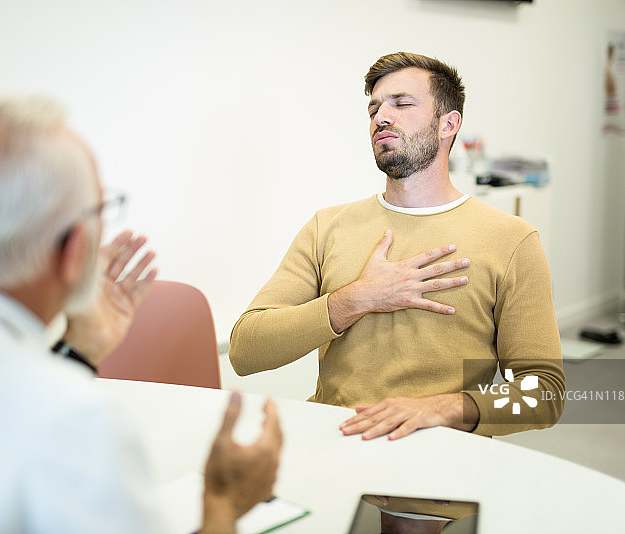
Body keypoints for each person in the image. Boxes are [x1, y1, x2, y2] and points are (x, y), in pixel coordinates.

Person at [0, 96, 282, 534]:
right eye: (100, 212)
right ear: (75, 249)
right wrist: (225, 504)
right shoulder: (76, 423)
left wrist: (80, 351)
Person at [229, 52, 565, 439]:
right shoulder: (327, 227)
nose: (381, 117)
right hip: (335, 441)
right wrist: (355, 298)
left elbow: (544, 394)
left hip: (440, 456)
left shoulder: (512, 239)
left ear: (448, 124)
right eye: (374, 109)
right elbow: (245, 350)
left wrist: (445, 407)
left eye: (401, 104)